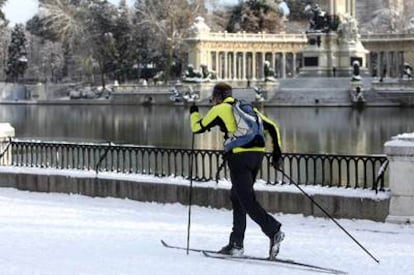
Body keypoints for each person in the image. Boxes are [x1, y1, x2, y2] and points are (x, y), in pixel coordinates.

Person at [189, 82, 284, 260]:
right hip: (257, 156)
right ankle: (236, 244)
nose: (213, 101)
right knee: (238, 197)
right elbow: (272, 127)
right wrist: (277, 154)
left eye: (214, 97)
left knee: (247, 201)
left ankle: (273, 230)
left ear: (217, 97)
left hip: (239, 158)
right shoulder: (246, 108)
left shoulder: (220, 109)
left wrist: (193, 112)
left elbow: (197, 128)